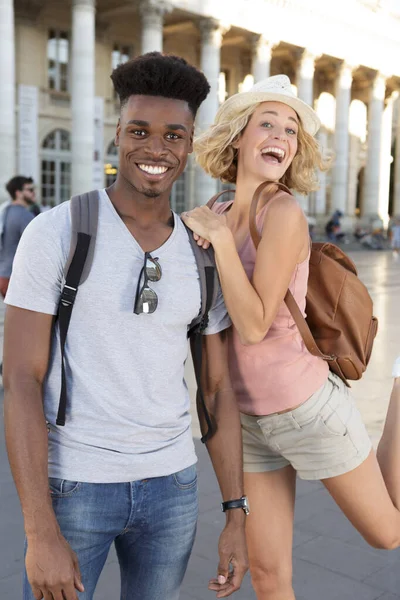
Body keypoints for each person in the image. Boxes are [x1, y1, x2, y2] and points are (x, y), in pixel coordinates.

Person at [3, 53, 248, 600]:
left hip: (174, 488)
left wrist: (236, 511)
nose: (156, 148)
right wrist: (39, 528)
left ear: (190, 145)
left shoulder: (203, 253)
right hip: (75, 486)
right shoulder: (57, 232)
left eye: (173, 135)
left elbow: (216, 389)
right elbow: (19, 379)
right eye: (139, 130)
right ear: (117, 135)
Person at [182, 74, 400, 599]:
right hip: (248, 420)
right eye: (268, 123)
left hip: (307, 408)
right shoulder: (214, 213)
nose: (282, 134)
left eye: (291, 129)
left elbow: (254, 325)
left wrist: (220, 245)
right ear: (238, 136)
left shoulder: (283, 213)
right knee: (271, 574)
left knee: (388, 534)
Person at [0, 176, 35, 298]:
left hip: (4, 274)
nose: (33, 193)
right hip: (17, 277)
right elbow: (36, 246)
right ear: (18, 193)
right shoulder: (25, 216)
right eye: (30, 190)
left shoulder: (5, 211)